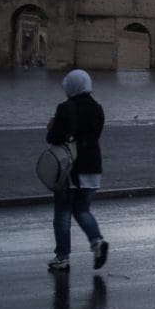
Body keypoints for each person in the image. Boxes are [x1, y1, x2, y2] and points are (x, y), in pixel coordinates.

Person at [45, 69, 109, 272]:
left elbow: (55, 138)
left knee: (62, 213)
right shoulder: (98, 108)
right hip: (93, 167)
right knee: (82, 210)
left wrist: (51, 127)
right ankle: (97, 242)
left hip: (70, 168)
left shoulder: (65, 108)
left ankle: (62, 257)